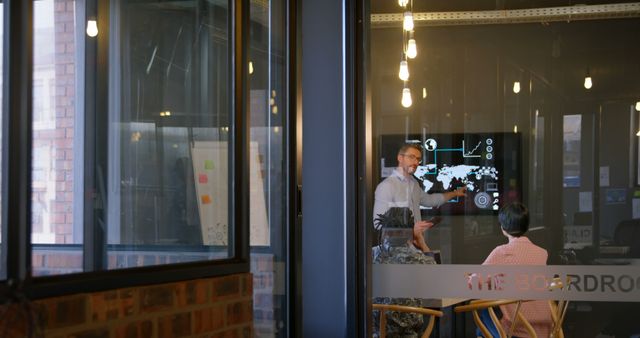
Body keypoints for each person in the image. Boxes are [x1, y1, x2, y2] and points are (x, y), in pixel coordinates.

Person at [373, 143, 466, 251]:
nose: (416, 162)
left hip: (416, 246)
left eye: (418, 159)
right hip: (395, 251)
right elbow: (378, 224)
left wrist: (455, 193)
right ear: (400, 158)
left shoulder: (414, 183)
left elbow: (429, 200)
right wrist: (411, 230)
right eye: (412, 157)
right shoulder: (386, 186)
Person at [481, 203, 553, 338]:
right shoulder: (541, 253)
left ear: (503, 228)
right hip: (544, 327)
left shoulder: (502, 252)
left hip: (518, 328)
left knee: (485, 310)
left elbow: (476, 280)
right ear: (526, 226)